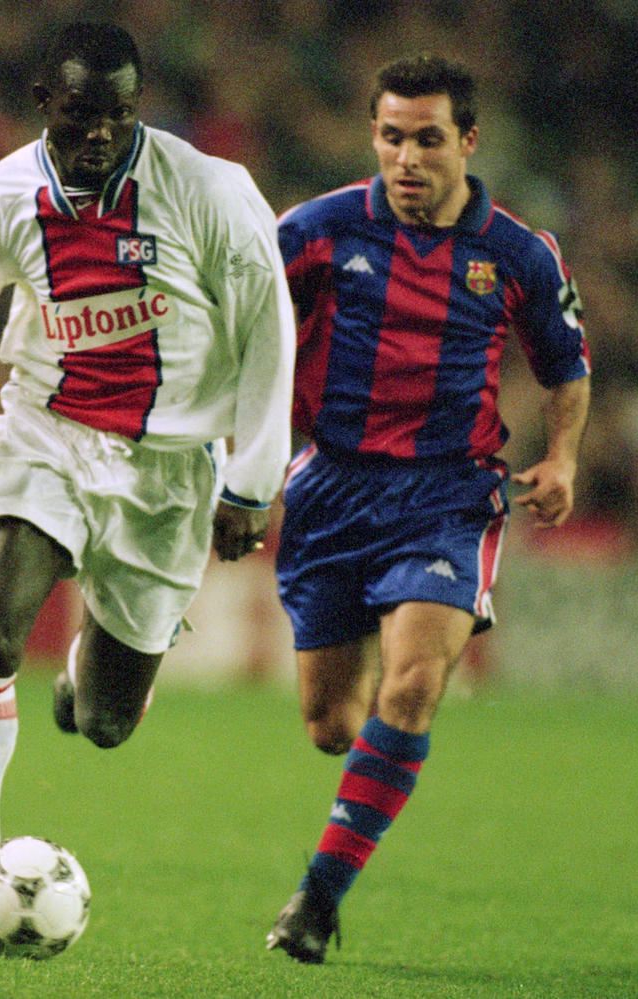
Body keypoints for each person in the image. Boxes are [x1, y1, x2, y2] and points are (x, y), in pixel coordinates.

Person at [0, 22, 295, 953]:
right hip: (49, 437)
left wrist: (255, 479)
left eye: (119, 113)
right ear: (42, 104)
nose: (100, 131)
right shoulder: (6, 193)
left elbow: (269, 332)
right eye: (79, 112)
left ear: (140, 107)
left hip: (172, 472)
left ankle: (90, 675)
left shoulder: (210, 191)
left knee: (101, 721)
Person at [265, 53, 591, 964]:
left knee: (414, 684)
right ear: (375, 136)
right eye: (393, 138)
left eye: (429, 140)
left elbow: (566, 368)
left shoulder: (518, 253)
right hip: (330, 487)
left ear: (469, 142)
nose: (408, 159)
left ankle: (316, 900)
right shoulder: (317, 231)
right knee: (334, 725)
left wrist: (561, 455)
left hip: (449, 493)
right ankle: (367, 764)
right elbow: (243, 333)